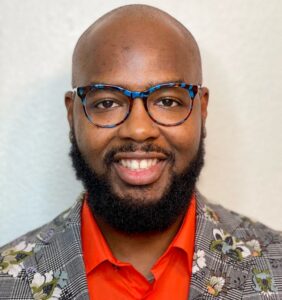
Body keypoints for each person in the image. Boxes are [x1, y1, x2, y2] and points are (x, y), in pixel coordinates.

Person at [0, 4, 281, 299]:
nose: (138, 129)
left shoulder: (275, 270)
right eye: (107, 103)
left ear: (202, 108)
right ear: (73, 115)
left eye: (168, 101)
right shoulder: (7, 282)